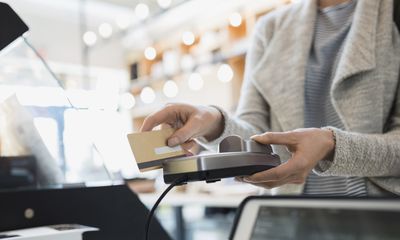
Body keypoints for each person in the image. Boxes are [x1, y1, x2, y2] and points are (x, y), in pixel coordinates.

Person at [141, 0, 400, 196]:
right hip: (292, 223)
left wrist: (332, 145)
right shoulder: (271, 29)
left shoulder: (391, 14)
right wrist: (214, 123)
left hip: (381, 222)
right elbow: (257, 136)